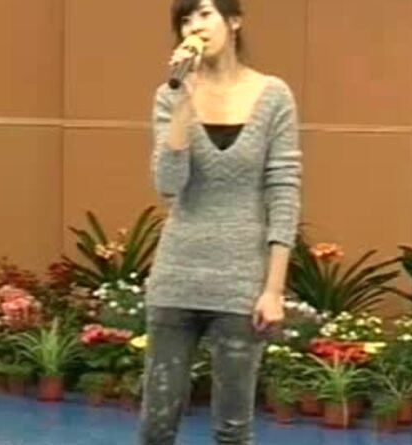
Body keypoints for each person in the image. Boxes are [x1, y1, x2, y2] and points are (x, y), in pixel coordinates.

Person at [138, 0, 302, 444]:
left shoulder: (273, 95)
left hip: (240, 281)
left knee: (233, 429)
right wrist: (183, 99)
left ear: (234, 21)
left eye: (205, 13)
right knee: (156, 426)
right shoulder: (170, 94)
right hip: (176, 277)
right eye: (186, 19)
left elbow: (284, 190)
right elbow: (169, 184)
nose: (195, 26)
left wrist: (273, 289)